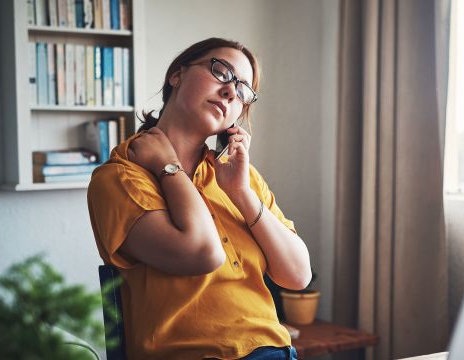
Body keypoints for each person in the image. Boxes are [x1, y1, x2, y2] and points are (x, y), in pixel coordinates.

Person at [87, 37, 312, 360]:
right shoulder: (120, 177)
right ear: (176, 75)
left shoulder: (239, 175)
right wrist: (170, 169)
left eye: (243, 90)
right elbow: (203, 253)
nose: (231, 92)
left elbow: (298, 275)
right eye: (221, 72)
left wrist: (241, 193)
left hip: (274, 351)